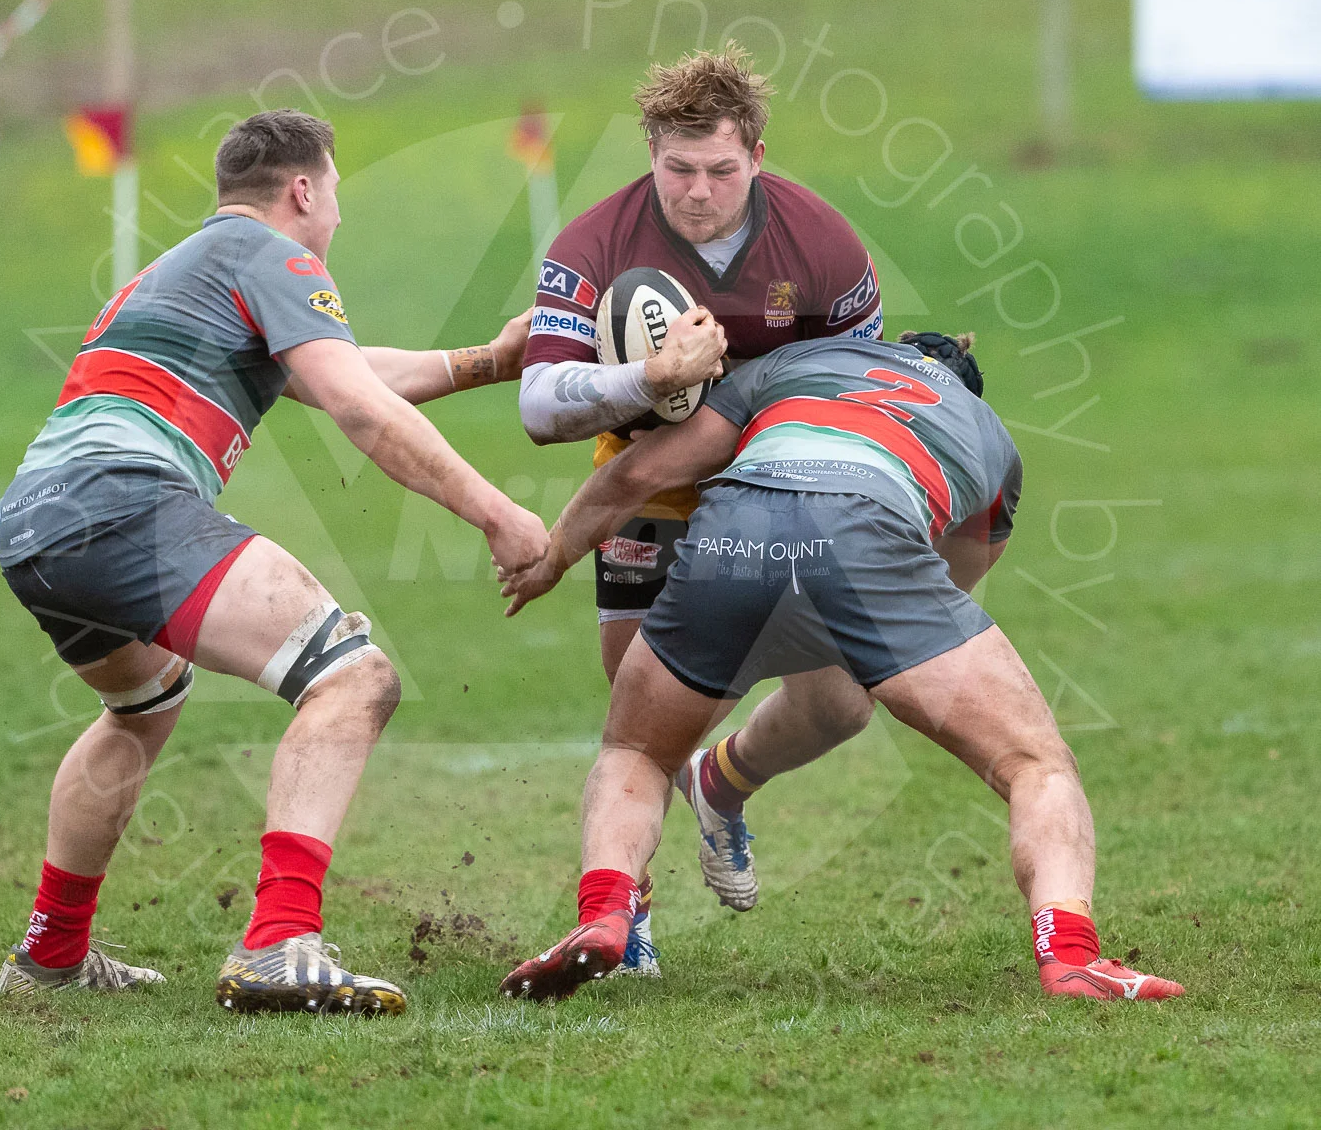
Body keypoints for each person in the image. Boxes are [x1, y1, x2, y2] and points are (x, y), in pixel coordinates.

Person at [0, 109, 547, 1016]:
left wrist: (488, 360)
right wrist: (498, 515)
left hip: (38, 522)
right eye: (333, 195)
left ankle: (49, 954)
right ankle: (278, 943)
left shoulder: (188, 268)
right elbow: (360, 410)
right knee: (353, 678)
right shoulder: (277, 258)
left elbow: (344, 373)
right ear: (303, 189)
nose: (335, 216)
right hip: (123, 504)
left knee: (142, 707)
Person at [499, 333, 1185, 1004]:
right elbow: (956, 578)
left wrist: (551, 557)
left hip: (735, 526)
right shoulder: (990, 435)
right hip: (871, 536)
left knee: (638, 751)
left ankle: (605, 912)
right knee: (1035, 763)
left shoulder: (798, 360)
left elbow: (641, 472)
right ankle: (1070, 958)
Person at [519, 44, 884, 970]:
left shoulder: (824, 244)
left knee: (841, 703)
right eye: (678, 169)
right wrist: (650, 376)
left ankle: (723, 785)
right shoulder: (595, 243)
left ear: (757, 154)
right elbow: (535, 407)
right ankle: (623, 905)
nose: (698, 191)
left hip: (779, 481)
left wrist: (753, 418)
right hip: (645, 478)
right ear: (649, 151)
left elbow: (862, 392)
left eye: (721, 170)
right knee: (638, 713)